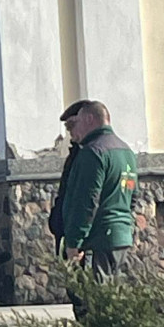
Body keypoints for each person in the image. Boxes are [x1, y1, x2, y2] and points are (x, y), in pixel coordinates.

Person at [62, 101, 138, 280]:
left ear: (89, 119)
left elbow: (86, 201)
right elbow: (132, 197)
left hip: (97, 240)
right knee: (113, 299)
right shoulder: (126, 151)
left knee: (94, 300)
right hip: (121, 237)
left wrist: (74, 242)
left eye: (76, 123)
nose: (72, 132)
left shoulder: (93, 152)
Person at [48, 99, 91, 255]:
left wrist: (77, 240)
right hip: (65, 229)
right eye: (67, 127)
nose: (70, 133)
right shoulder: (75, 153)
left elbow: (86, 199)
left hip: (81, 239)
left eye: (72, 126)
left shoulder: (89, 154)